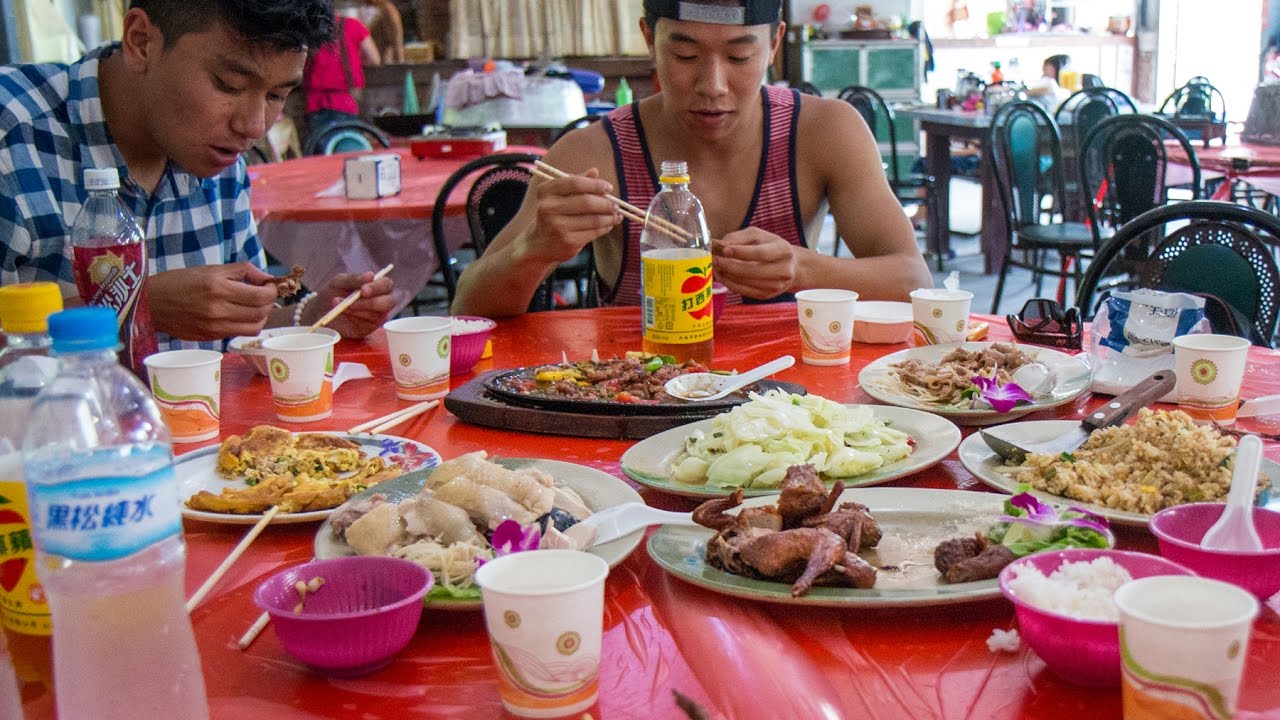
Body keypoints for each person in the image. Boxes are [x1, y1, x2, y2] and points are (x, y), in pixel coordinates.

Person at [451, 0, 931, 317]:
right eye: (684, 56)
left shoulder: (824, 130)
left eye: (740, 58)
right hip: (635, 411)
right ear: (648, 38)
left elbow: (912, 279)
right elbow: (467, 309)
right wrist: (533, 249)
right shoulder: (593, 151)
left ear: (775, 43)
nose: (713, 86)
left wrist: (804, 269)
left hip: (790, 414)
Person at [0, 0, 396, 350]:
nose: (254, 126)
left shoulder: (220, 156)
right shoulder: (13, 138)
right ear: (141, 42)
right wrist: (138, 306)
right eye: (229, 85)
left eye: (277, 95)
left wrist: (316, 318)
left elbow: (236, 337)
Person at [304, 12, 381, 134]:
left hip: (315, 103)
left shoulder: (307, 29)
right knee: (347, 147)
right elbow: (374, 59)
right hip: (345, 101)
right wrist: (356, 59)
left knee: (322, 149)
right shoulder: (353, 25)